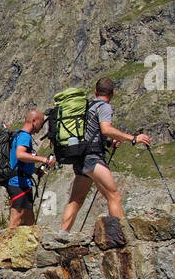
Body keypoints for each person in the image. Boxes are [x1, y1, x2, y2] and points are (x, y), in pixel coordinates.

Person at [59, 77, 151, 237]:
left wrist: (108, 143)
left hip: (80, 157)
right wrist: (133, 138)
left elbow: (92, 133)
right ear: (113, 93)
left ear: (95, 91)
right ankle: (121, 236)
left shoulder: (88, 106)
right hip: (92, 158)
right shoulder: (104, 107)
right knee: (114, 195)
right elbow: (106, 129)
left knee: (76, 199)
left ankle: (62, 234)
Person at [6, 109, 55, 228]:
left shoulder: (19, 135)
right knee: (17, 217)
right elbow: (20, 155)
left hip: (23, 182)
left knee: (29, 218)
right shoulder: (25, 136)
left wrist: (35, 170)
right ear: (33, 121)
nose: (42, 126)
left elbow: (20, 161)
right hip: (18, 183)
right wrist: (43, 159)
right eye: (41, 122)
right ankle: (7, 245)